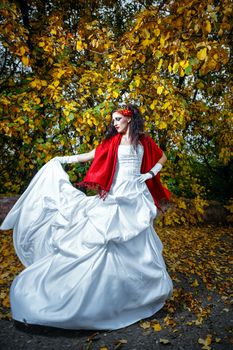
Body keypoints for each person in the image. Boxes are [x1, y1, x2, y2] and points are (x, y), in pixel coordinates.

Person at [0, 104, 173, 330]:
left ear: (129, 119)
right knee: (102, 241)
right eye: (113, 119)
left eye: (118, 118)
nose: (114, 122)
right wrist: (61, 159)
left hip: (135, 197)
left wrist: (150, 173)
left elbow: (163, 157)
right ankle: (96, 301)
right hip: (113, 197)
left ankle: (134, 297)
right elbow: (90, 155)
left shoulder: (143, 140)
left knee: (138, 246)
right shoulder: (112, 142)